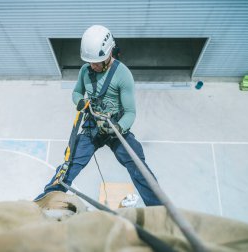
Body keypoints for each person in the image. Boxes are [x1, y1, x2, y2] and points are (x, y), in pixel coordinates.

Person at [35, 25, 161, 206]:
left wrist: (118, 127)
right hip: (92, 127)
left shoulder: (122, 75)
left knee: (137, 165)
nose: (92, 65)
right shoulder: (85, 71)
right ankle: (47, 199)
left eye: (97, 61)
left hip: (116, 128)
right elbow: (77, 92)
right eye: (90, 62)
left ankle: (158, 208)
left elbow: (131, 112)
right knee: (70, 164)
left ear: (109, 53)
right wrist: (80, 101)